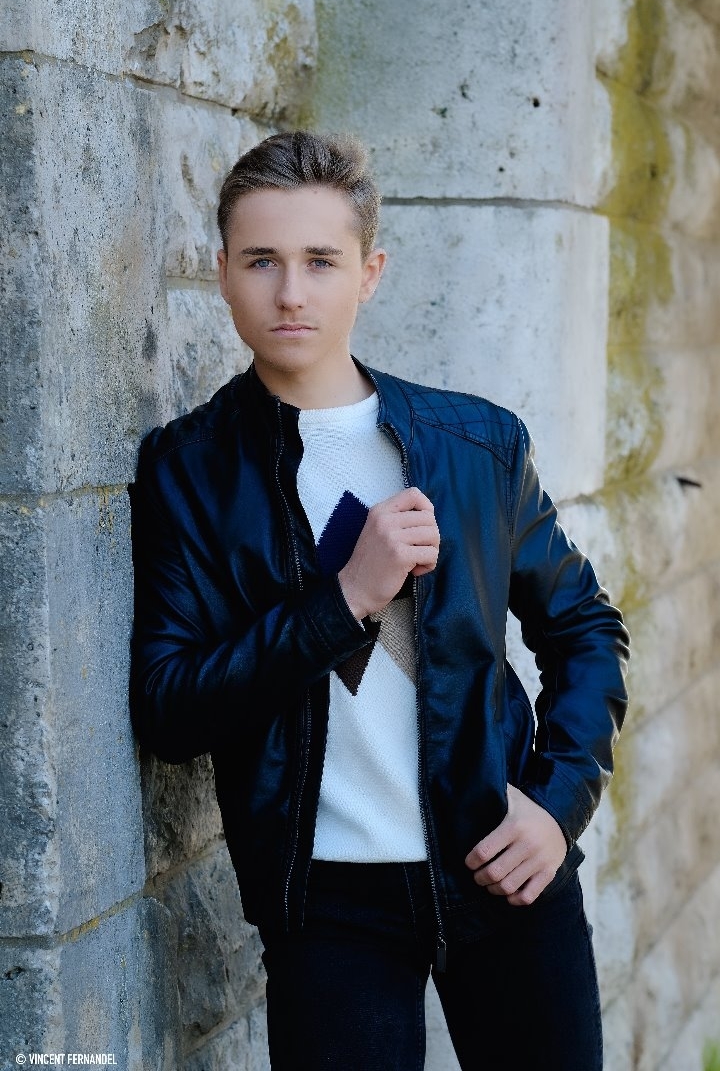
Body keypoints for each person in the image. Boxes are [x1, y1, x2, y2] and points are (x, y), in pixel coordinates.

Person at [130, 131, 629, 1070]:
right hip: (326, 907)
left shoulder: (475, 445)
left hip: (503, 861)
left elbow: (584, 628)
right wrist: (347, 597)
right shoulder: (188, 470)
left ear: (370, 273)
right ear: (222, 274)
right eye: (262, 261)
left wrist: (556, 802)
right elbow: (170, 708)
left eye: (321, 261)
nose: (291, 293)